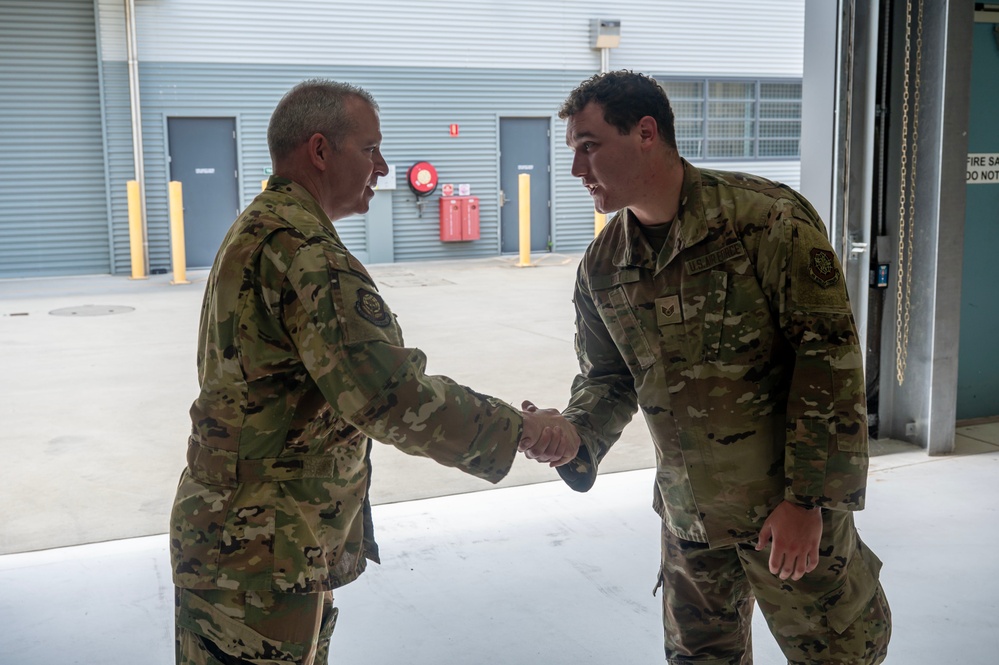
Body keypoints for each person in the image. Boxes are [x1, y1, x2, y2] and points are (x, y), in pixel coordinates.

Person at [169, 78, 578, 665]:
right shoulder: (306, 253)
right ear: (319, 151)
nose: (383, 167)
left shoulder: (258, 227)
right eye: (371, 150)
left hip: (247, 542)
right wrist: (523, 429)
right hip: (262, 554)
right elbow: (390, 397)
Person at [525, 71, 891, 664]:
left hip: (786, 514)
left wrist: (808, 502)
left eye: (589, 147)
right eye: (573, 152)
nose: (577, 171)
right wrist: (572, 435)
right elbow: (609, 379)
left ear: (646, 132)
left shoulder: (764, 222)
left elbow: (828, 363)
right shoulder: (603, 266)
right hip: (690, 522)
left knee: (839, 654)